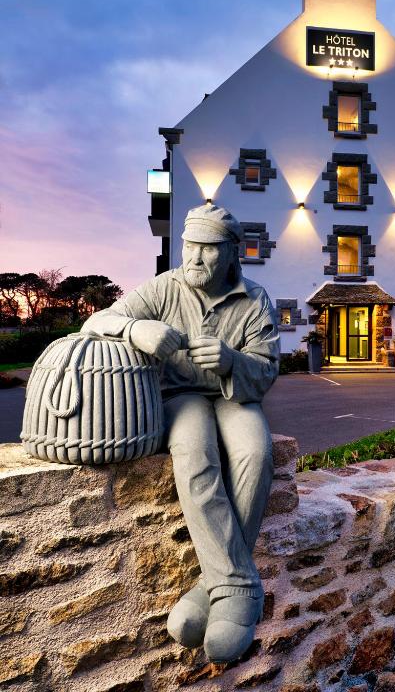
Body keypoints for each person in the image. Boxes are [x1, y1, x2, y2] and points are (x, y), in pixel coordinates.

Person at [81, 203, 280, 663]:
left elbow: (266, 371)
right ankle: (238, 589)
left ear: (231, 253)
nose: (193, 257)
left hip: (234, 396)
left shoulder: (255, 299)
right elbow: (96, 323)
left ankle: (209, 587)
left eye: (207, 249)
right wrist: (136, 329)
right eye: (189, 246)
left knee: (255, 451)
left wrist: (233, 361)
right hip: (180, 398)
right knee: (195, 451)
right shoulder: (164, 287)